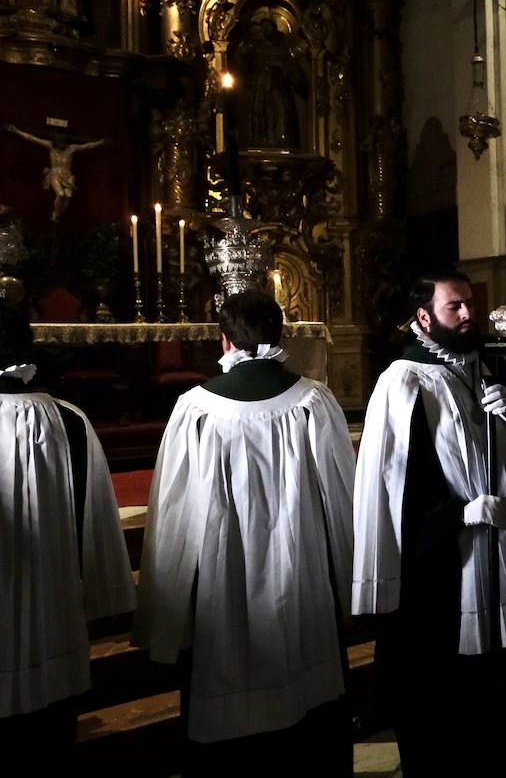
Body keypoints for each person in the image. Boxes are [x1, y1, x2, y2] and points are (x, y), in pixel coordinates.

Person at [135, 290, 355, 775]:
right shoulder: (313, 400)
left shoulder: (195, 407)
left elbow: (173, 509)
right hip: (302, 566)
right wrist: (350, 582)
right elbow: (343, 497)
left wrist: (165, 612)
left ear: (225, 340)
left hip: (221, 572)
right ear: (281, 335)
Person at [353, 272, 506, 776]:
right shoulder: (405, 381)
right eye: (453, 307)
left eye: (469, 304)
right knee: (442, 707)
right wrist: (458, 513)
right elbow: (396, 484)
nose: (467, 315)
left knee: (493, 706)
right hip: (439, 568)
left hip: (498, 548)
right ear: (424, 317)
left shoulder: (488, 363)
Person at [0, 304, 133, 767]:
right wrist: (105, 596)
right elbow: (98, 521)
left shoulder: (71, 420)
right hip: (54, 614)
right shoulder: (70, 420)